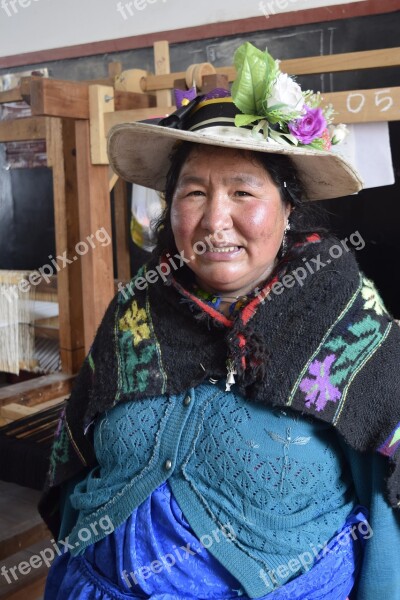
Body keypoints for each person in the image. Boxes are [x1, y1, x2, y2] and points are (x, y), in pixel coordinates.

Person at [40, 42, 400, 599]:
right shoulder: (139, 305)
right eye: (194, 193)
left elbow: (385, 490)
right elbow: (80, 450)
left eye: (242, 191)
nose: (214, 219)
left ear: (287, 208)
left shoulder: (345, 317)